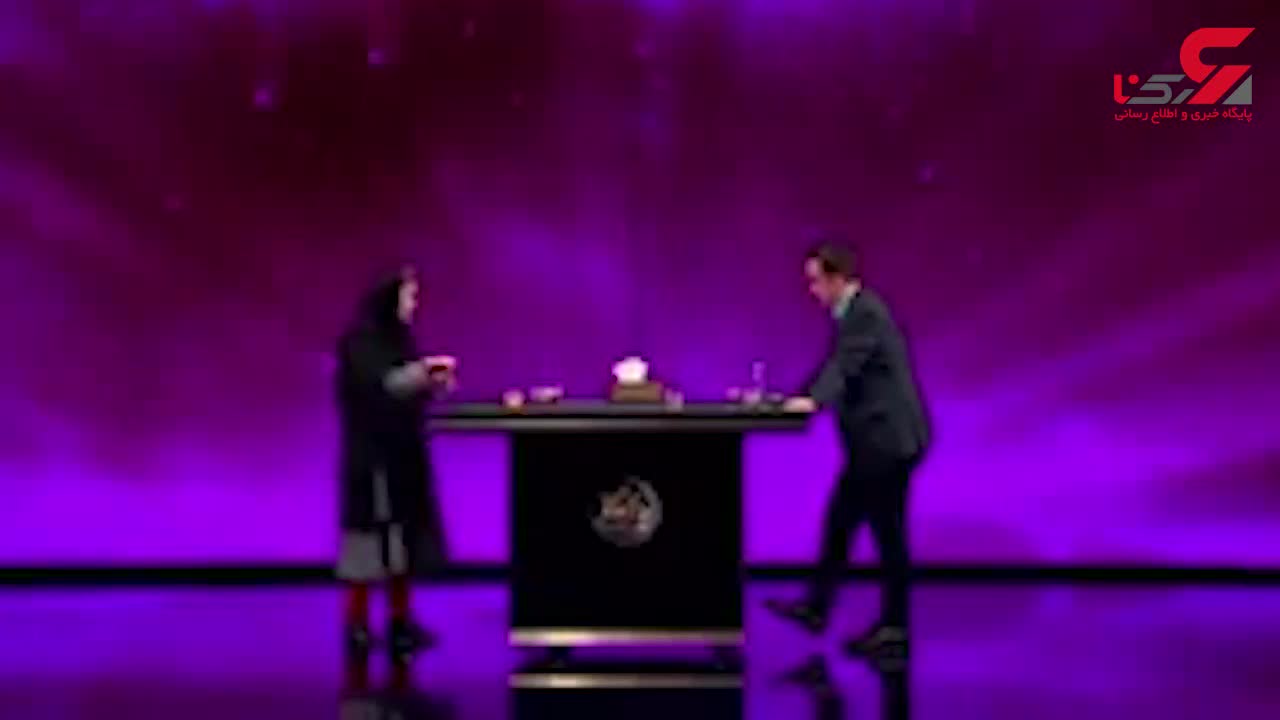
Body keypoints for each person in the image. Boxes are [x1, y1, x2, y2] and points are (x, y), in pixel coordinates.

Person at [769, 242, 930, 659]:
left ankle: (892, 627)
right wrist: (801, 397)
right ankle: (818, 609)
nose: (812, 291)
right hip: (874, 445)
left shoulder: (865, 313)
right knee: (842, 523)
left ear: (837, 278)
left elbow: (844, 366)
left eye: (816, 282)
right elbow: (838, 365)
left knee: (885, 534)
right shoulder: (854, 314)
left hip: (887, 442)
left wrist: (813, 401)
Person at [335, 266, 455, 663]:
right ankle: (356, 625)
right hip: (372, 460)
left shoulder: (400, 341)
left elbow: (405, 390)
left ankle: (400, 621)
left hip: (401, 458)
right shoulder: (360, 343)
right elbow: (380, 386)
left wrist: (431, 383)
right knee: (367, 543)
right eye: (409, 296)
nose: (414, 304)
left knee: (402, 539)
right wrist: (422, 373)